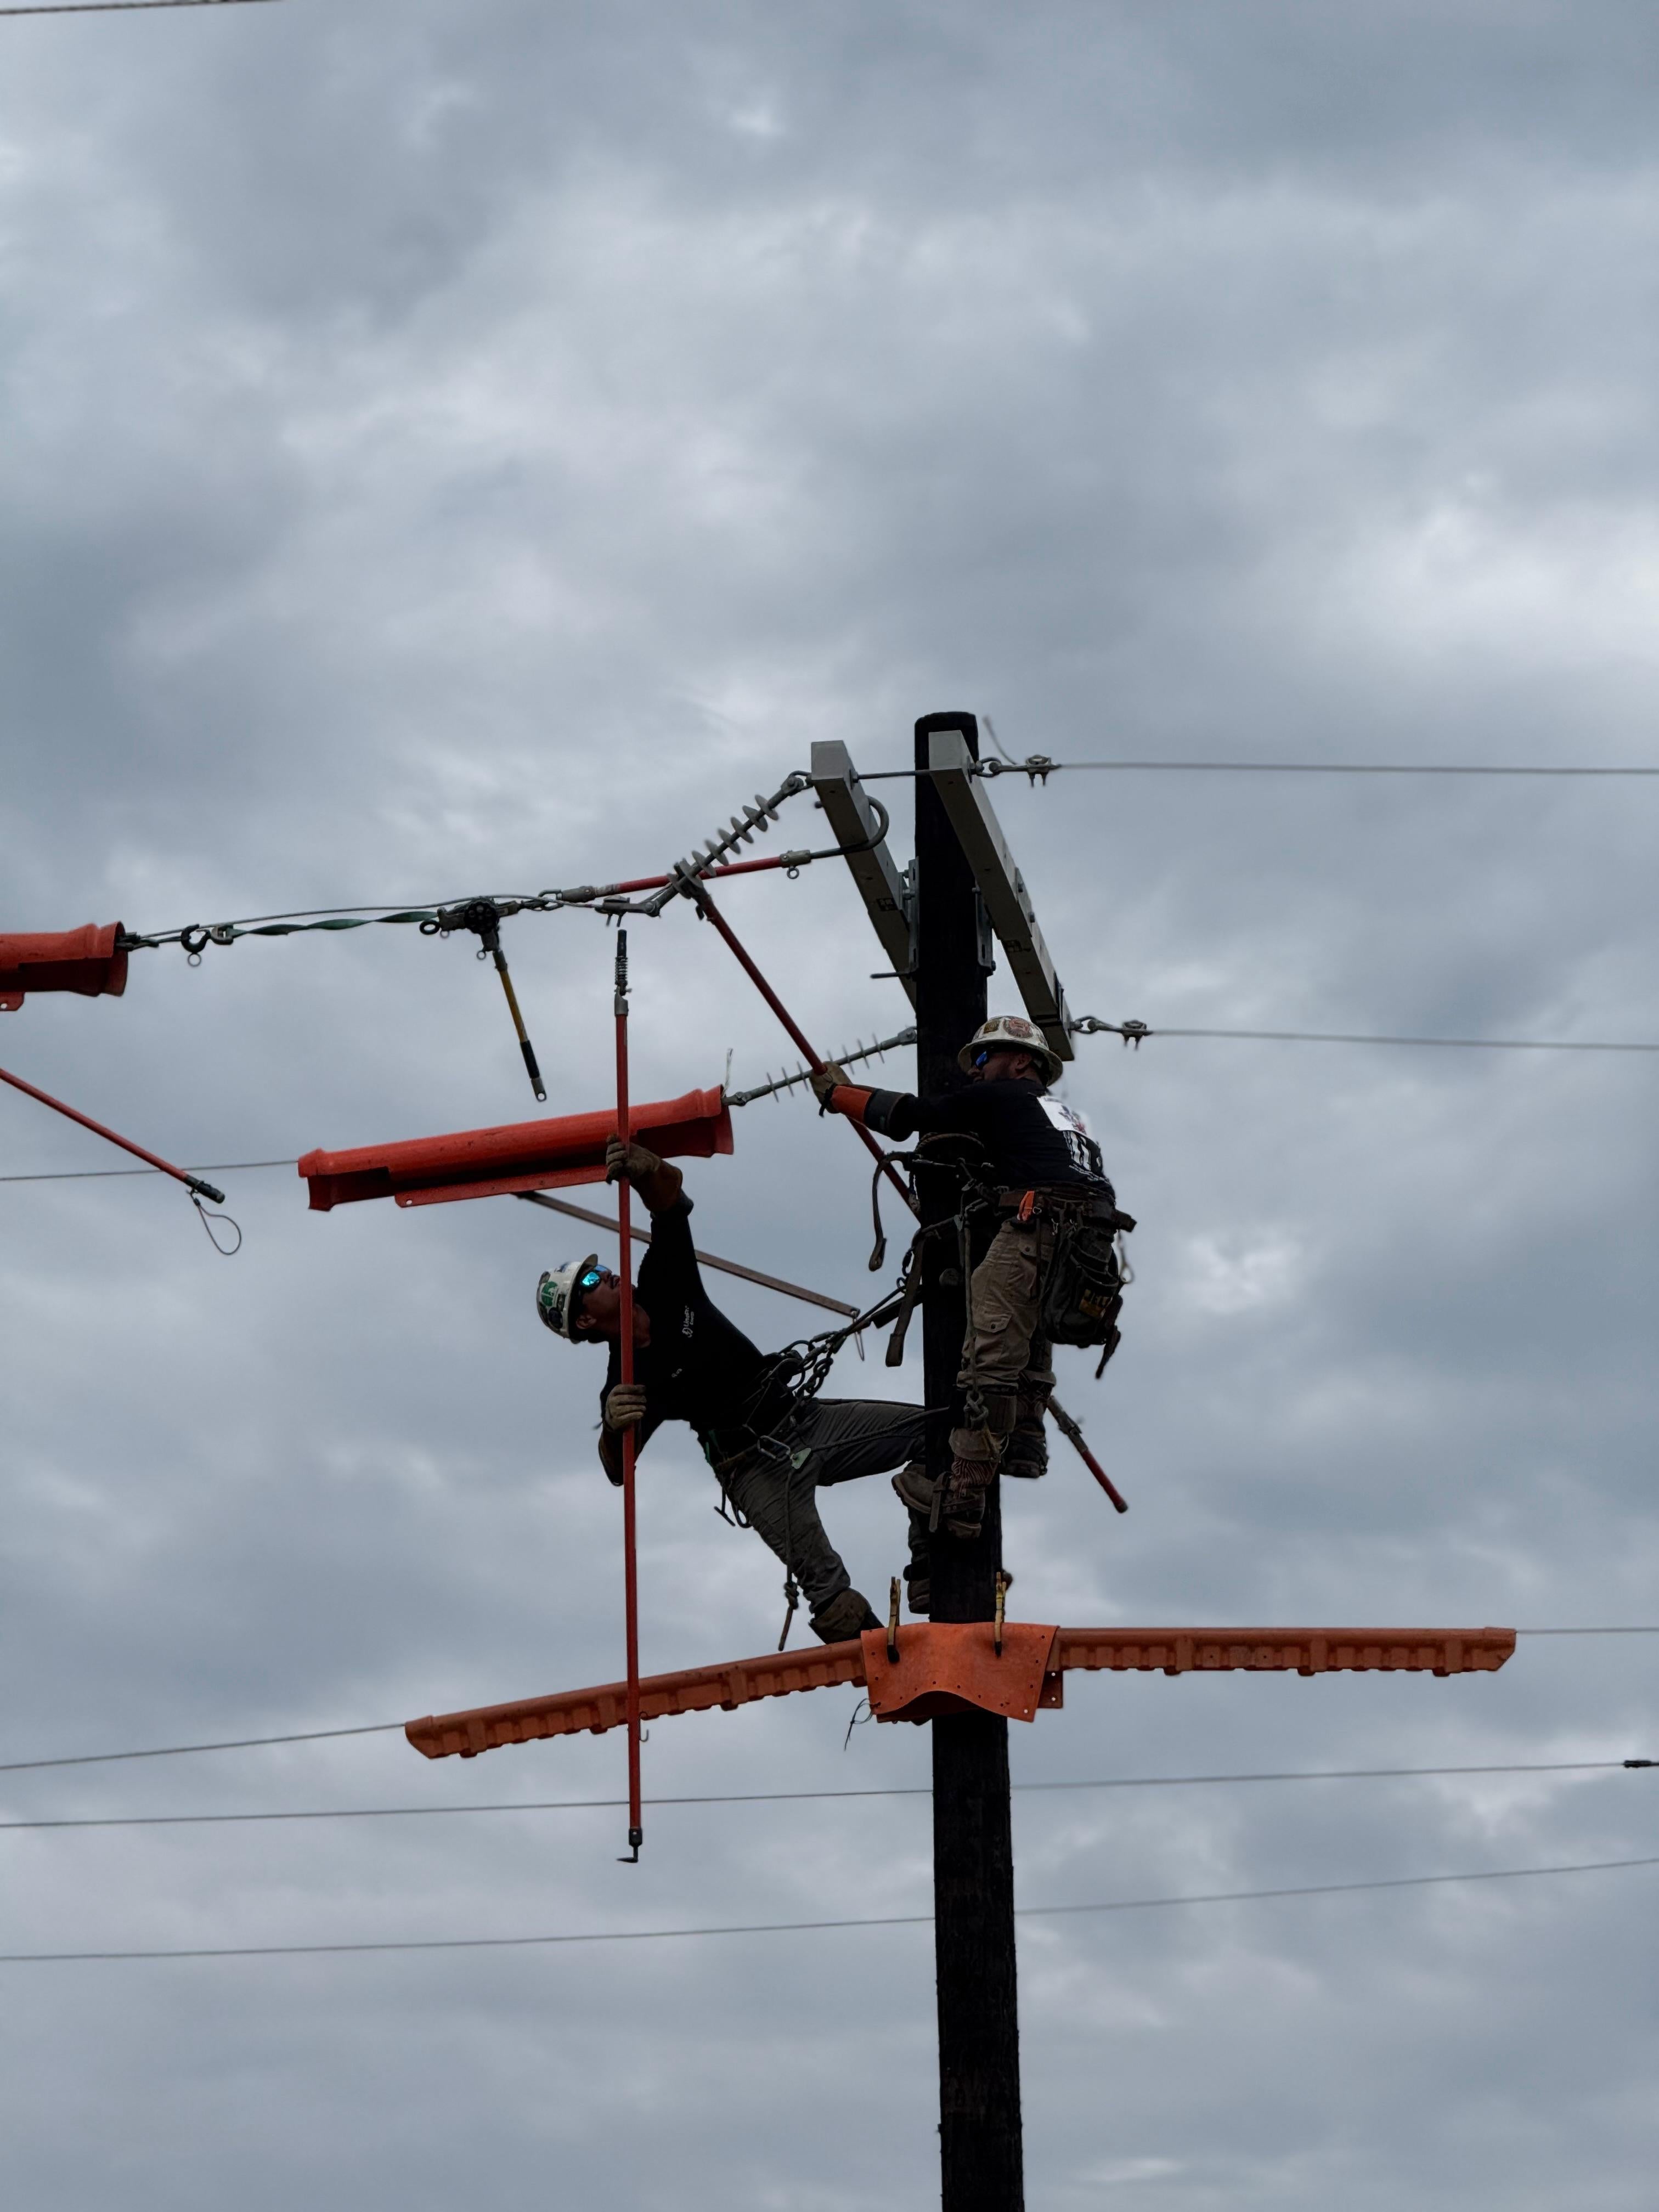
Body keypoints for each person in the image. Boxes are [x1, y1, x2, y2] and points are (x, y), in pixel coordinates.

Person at [535, 1136, 926, 1645]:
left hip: (801, 1420)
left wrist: (647, 1167)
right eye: (589, 1281)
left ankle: (933, 1568)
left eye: (596, 1267)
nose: (604, 1272)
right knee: (828, 1591)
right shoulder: (628, 1379)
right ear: (584, 1319)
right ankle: (889, 1670)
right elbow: (616, 1470)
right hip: (752, 1467)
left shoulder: (664, 1279)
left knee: (932, 1432)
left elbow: (670, 1199)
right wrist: (612, 1427)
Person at [811, 1013, 1128, 1550]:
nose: (976, 1072)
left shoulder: (1005, 1098)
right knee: (1025, 1339)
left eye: (984, 1059)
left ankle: (963, 1496)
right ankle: (1026, 1439)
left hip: (1039, 1231)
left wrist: (840, 1095)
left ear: (1021, 1061)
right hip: (1091, 1248)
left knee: (988, 1362)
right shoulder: (1070, 1117)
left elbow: (914, 1115)